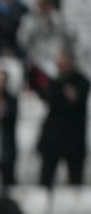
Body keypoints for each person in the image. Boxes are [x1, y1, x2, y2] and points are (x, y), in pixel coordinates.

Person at [34, 50, 89, 186]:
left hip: (73, 140)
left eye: (63, 64)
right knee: (46, 179)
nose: (61, 67)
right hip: (52, 139)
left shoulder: (81, 81)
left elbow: (75, 98)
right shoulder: (54, 82)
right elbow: (43, 93)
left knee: (75, 180)